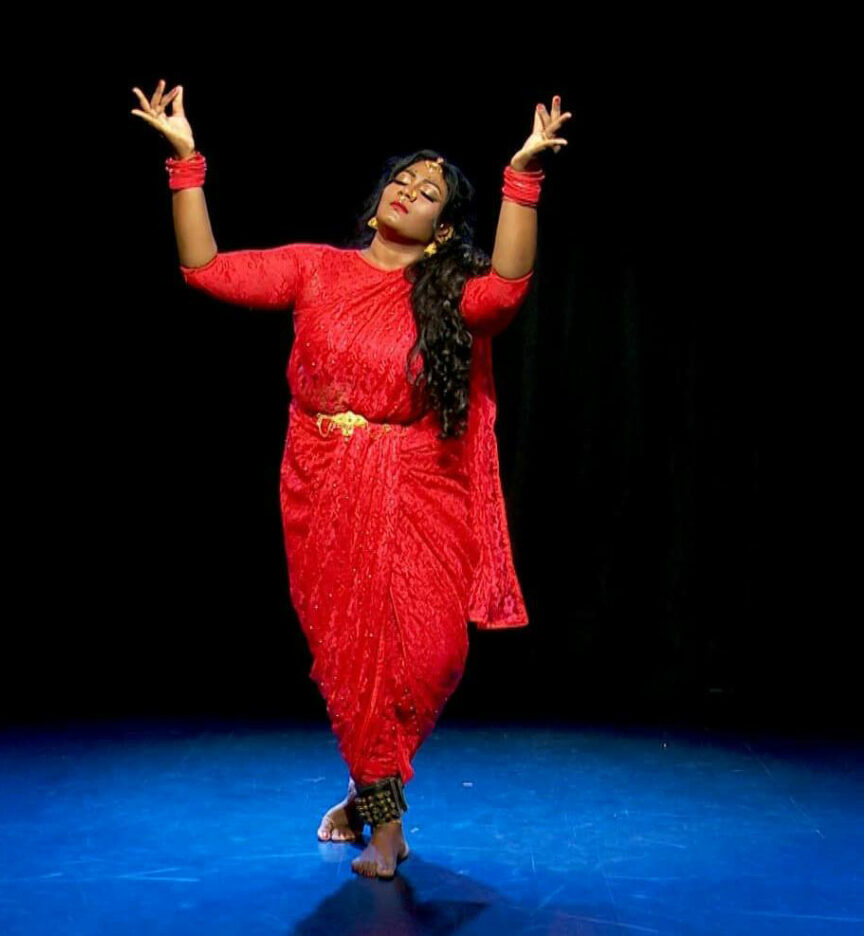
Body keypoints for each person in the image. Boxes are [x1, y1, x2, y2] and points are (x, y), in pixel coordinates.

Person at [131, 80, 572, 880]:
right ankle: (385, 826)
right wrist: (186, 162)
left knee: (431, 659)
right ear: (377, 202)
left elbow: (509, 287)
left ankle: (367, 787)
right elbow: (204, 269)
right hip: (325, 482)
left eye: (429, 192)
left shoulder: (448, 296)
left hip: (423, 484)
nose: (410, 190)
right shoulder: (316, 269)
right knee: (354, 660)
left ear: (442, 230)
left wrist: (523, 178)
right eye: (403, 179)